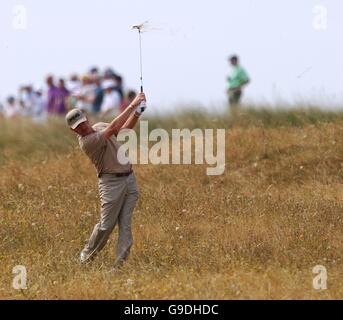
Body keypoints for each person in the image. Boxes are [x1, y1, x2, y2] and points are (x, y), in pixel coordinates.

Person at [65, 92, 147, 268]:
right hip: (111, 184)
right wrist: (132, 105)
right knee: (106, 226)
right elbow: (112, 128)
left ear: (86, 119)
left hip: (129, 179)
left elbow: (124, 130)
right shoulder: (87, 142)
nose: (82, 128)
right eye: (77, 127)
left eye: (82, 123)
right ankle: (86, 257)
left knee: (125, 226)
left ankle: (119, 266)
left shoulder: (100, 125)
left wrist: (138, 113)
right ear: (73, 130)